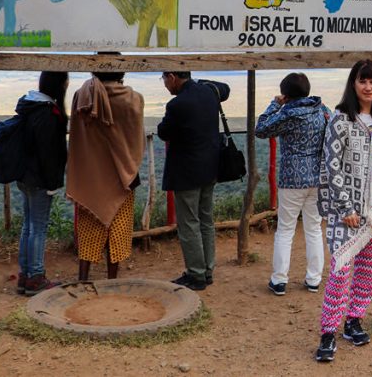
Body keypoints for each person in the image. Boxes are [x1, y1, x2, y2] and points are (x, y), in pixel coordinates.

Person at [315, 59, 372, 363]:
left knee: (368, 270)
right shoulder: (341, 120)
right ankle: (328, 332)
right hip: (352, 210)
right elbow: (331, 165)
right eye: (362, 81)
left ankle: (353, 320)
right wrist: (345, 207)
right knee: (341, 270)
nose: (368, 87)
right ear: (353, 84)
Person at [255, 72, 329, 296]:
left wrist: (273, 104)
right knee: (314, 229)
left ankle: (279, 280)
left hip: (292, 179)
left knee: (286, 229)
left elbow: (261, 129)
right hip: (318, 178)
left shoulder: (288, 113)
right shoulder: (322, 110)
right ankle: (314, 280)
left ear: (286, 94)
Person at [66, 71, 145, 282]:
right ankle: (112, 281)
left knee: (88, 230)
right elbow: (136, 138)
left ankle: (83, 279)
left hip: (91, 177)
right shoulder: (133, 99)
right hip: (123, 176)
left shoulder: (81, 96)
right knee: (118, 230)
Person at [157, 71, 230, 291]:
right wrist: (201, 83)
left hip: (187, 173)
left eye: (165, 81)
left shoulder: (177, 105)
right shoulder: (210, 93)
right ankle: (207, 271)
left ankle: (196, 275)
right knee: (206, 220)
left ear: (172, 77)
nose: (166, 86)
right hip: (210, 168)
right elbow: (225, 87)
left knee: (189, 224)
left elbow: (163, 132)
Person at [15, 71, 69, 296]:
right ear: (60, 85)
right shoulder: (48, 113)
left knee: (28, 226)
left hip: (25, 175)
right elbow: (48, 153)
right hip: (39, 179)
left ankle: (25, 276)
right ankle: (36, 277)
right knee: (38, 227)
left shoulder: (29, 106)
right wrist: (52, 182)